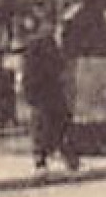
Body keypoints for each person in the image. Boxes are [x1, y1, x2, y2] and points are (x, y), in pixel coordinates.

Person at [23, 19, 79, 174]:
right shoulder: (40, 43)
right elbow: (32, 70)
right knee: (47, 125)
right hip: (44, 91)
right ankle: (45, 160)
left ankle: (67, 158)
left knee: (58, 124)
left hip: (51, 91)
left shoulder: (52, 42)